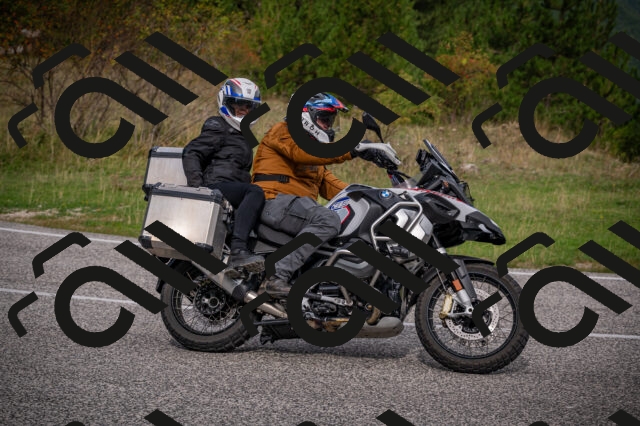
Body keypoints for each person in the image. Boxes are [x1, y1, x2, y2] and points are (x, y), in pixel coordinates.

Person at [251, 92, 402, 297]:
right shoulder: (283, 131)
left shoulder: (314, 158)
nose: (328, 127)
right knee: (328, 220)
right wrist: (354, 149)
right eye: (324, 120)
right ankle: (277, 275)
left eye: (330, 121)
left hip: (294, 208)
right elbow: (305, 152)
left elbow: (337, 188)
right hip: (273, 202)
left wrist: (379, 198)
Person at [182, 77, 265, 272]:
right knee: (254, 192)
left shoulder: (241, 134)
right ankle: (238, 251)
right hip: (216, 185)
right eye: (237, 103)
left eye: (248, 105)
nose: (243, 109)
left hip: (229, 187)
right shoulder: (218, 126)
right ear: (226, 103)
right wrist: (198, 189)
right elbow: (192, 152)